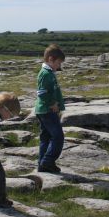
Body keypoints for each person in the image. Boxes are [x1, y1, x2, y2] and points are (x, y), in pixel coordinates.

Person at [35, 44, 65, 173]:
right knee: (58, 137)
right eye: (58, 63)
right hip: (47, 111)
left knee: (46, 138)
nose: (59, 66)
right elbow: (41, 93)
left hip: (44, 110)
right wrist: (52, 103)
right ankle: (48, 160)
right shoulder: (46, 74)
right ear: (51, 59)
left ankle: (42, 165)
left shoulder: (49, 72)